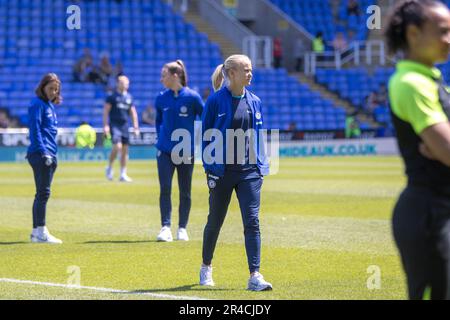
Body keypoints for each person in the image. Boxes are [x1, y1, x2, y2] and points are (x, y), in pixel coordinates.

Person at [385, 0, 450, 299]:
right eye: (442, 31)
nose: (448, 39)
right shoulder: (410, 83)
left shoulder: (433, 82)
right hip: (429, 218)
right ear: (413, 33)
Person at [200, 54, 272, 291]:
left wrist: (261, 167)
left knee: (252, 222)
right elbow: (206, 137)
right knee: (215, 221)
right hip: (221, 172)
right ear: (231, 74)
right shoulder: (214, 101)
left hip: (249, 172)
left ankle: (255, 275)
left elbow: (258, 137)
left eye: (251, 70)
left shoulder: (256, 101)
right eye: (246, 70)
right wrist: (210, 169)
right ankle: (206, 267)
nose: (250, 74)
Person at [154, 60, 204, 242]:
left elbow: (205, 117)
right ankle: (165, 227)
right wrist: (160, 137)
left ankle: (182, 228)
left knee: (185, 191)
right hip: (165, 151)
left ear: (175, 76)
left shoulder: (192, 97)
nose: (161, 80)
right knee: (165, 189)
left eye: (164, 75)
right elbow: (158, 121)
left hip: (186, 152)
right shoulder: (161, 98)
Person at [27, 73, 63, 244]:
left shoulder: (50, 105)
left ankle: (37, 231)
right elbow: (35, 130)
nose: (53, 92)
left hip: (50, 153)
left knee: (42, 193)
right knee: (43, 193)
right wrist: (44, 152)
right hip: (41, 154)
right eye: (50, 88)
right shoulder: (37, 104)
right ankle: (40, 231)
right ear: (42, 87)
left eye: (56, 89)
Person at [103, 75, 140, 182]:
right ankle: (109, 167)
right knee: (117, 147)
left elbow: (133, 113)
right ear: (118, 84)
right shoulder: (112, 97)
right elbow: (106, 112)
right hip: (115, 125)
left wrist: (136, 126)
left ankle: (123, 173)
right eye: (122, 82)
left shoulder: (129, 97)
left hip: (125, 126)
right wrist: (105, 125)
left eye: (126, 83)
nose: (124, 85)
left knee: (125, 150)